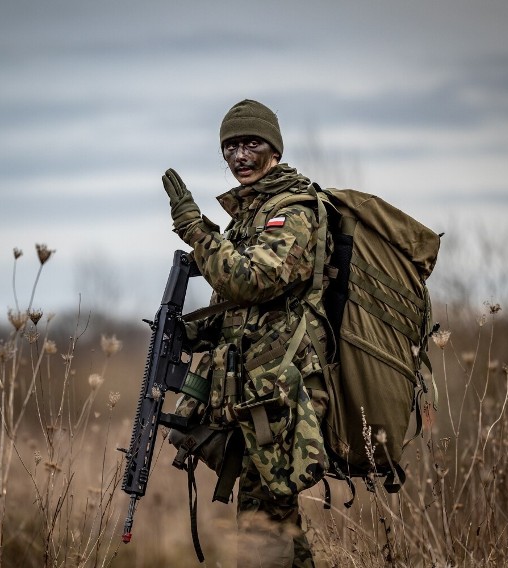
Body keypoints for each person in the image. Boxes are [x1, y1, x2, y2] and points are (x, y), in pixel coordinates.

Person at [162, 99, 331, 568]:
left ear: (273, 150)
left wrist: (197, 230)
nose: (240, 156)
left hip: (281, 397)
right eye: (230, 147)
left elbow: (253, 281)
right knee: (271, 517)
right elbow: (241, 309)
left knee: (264, 522)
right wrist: (190, 334)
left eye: (250, 144)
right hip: (256, 392)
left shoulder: (292, 211)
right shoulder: (248, 217)